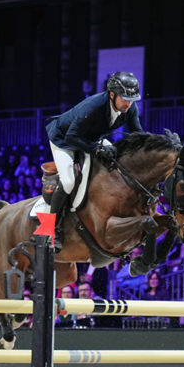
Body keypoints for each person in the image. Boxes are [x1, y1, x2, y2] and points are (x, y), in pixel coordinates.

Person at [44, 71, 144, 250]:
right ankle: (51, 229)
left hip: (91, 138)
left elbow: (138, 135)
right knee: (68, 181)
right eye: (125, 98)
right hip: (64, 140)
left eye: (132, 99)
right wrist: (98, 149)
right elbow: (71, 137)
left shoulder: (129, 108)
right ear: (112, 95)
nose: (129, 104)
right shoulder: (93, 107)